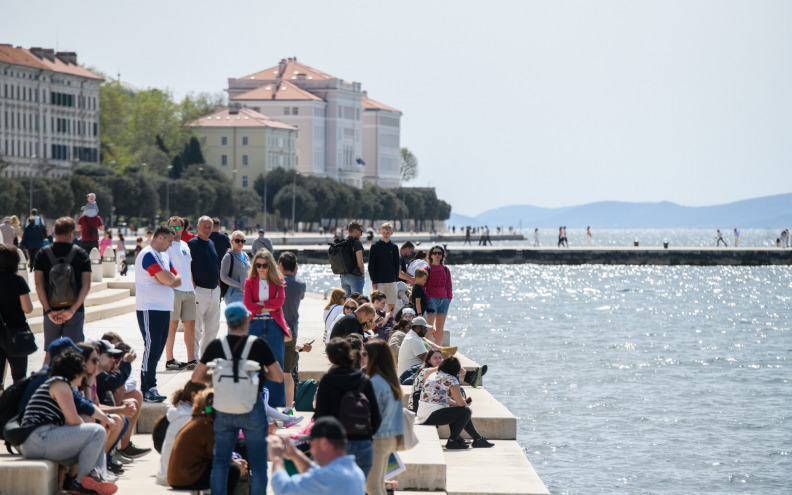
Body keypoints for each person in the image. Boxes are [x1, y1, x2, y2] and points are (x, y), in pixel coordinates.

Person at [191, 301, 284, 495]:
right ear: (247, 321)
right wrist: (257, 374)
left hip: (223, 407)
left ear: (228, 324)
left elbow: (196, 377)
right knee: (258, 464)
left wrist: (216, 379)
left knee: (221, 462)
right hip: (252, 407)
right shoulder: (258, 344)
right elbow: (278, 376)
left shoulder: (217, 345)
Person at [19, 349, 118, 495]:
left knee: (95, 442)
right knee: (97, 432)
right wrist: (94, 434)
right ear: (75, 371)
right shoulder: (60, 385)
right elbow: (73, 421)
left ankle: (94, 478)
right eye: (83, 371)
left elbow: (86, 405)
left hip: (40, 440)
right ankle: (80, 483)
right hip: (38, 439)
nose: (85, 375)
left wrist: (101, 426)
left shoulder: (62, 385)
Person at [314, 338, 381, 477]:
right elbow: (376, 416)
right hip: (363, 443)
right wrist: (366, 435)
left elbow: (320, 416)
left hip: (335, 445)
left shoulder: (327, 380)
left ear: (330, 358)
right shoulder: (364, 380)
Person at [134, 225, 182, 403]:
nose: (171, 244)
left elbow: (178, 279)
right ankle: (147, 387)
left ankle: (151, 386)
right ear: (160, 237)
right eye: (170, 240)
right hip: (149, 308)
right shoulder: (147, 254)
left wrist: (170, 279)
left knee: (158, 348)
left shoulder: (164, 255)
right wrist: (170, 279)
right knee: (151, 347)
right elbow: (169, 279)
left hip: (163, 309)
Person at [34, 217, 92, 360]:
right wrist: (72, 310)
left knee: (49, 354)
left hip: (51, 311)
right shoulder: (81, 254)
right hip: (75, 311)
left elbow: (38, 285)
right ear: (71, 234)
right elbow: (86, 285)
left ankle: (47, 382)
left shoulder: (42, 253)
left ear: (55, 232)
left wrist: (48, 310)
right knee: (74, 355)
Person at [167, 389, 245, 494]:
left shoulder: (198, 420)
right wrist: (237, 464)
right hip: (186, 478)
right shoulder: (206, 425)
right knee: (233, 470)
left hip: (179, 476)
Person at [268, 416, 366, 495]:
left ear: (324, 443)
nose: (310, 449)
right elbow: (316, 473)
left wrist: (277, 457)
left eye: (311, 443)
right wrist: (295, 454)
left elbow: (283, 489)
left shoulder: (326, 477)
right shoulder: (355, 471)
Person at [243, 249, 290, 408]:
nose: (261, 268)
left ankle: (275, 405)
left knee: (276, 364)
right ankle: (254, 402)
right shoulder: (249, 282)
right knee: (253, 362)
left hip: (273, 325)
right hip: (255, 325)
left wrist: (260, 306)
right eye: (258, 265)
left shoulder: (278, 280)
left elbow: (280, 302)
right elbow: (248, 305)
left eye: (264, 265)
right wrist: (267, 306)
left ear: (270, 265)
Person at [415, 356, 494, 450]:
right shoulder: (451, 380)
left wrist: (461, 405)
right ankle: (453, 441)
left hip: (423, 414)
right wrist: (465, 405)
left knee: (460, 411)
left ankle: (477, 439)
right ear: (455, 369)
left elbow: (443, 399)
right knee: (465, 411)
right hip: (432, 415)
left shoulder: (434, 375)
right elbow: (461, 405)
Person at [363, 340, 404, 495]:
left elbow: (372, 414)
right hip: (390, 437)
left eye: (365, 354)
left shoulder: (374, 383)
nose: (362, 356)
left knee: (372, 487)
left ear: (374, 357)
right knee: (379, 484)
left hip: (378, 438)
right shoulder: (390, 380)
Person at [157, 381, 208, 485]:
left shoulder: (179, 412)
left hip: (165, 475)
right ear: (193, 395)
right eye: (207, 396)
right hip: (180, 478)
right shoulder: (190, 419)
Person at [164, 217, 197, 370]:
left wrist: (193, 287)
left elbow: (188, 268)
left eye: (178, 227)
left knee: (191, 325)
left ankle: (191, 360)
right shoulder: (165, 245)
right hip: (174, 290)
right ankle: (170, 360)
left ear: (182, 229)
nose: (174, 230)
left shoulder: (185, 245)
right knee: (172, 325)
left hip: (189, 290)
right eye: (172, 227)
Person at [279, 251, 308, 414]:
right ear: (295, 266)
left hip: (275, 330)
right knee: (287, 372)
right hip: (292, 330)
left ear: (280, 265)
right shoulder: (301, 284)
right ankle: (289, 408)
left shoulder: (275, 282)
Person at [0, 244, 34, 383]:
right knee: (19, 376)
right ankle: (17, 403)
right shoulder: (18, 281)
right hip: (16, 333)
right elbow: (28, 308)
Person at [188, 216, 221, 358]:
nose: (207, 229)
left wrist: (218, 285)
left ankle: (207, 357)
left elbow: (215, 265)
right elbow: (187, 265)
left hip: (214, 291)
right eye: (204, 226)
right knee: (196, 328)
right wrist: (193, 285)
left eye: (209, 227)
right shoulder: (192, 244)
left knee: (213, 327)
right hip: (199, 291)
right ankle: (194, 358)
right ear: (198, 226)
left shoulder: (212, 243)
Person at [424, 245, 453, 346]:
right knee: (429, 327)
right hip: (431, 300)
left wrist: (449, 298)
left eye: (439, 253)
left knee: (440, 328)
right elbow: (422, 285)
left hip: (444, 300)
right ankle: (425, 350)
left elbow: (449, 285)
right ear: (431, 255)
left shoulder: (445, 269)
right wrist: (428, 298)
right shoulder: (427, 269)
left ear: (442, 256)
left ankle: (438, 350)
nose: (437, 255)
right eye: (435, 253)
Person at [367, 224, 400, 310]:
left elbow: (397, 265)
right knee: (378, 306)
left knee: (391, 306)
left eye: (388, 233)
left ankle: (390, 322)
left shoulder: (394, 247)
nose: (385, 235)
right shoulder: (375, 247)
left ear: (391, 233)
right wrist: (373, 280)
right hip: (379, 281)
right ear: (380, 232)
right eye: (384, 232)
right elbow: (371, 265)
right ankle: (378, 323)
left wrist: (395, 279)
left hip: (391, 281)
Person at [220, 230, 250, 305]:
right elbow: (223, 276)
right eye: (237, 240)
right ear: (232, 241)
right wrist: (239, 285)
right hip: (233, 293)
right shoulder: (228, 256)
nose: (240, 243)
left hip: (246, 293)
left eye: (242, 241)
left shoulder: (245, 255)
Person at [340, 221, 366, 298]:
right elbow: (360, 262)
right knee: (357, 302)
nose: (361, 234)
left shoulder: (343, 242)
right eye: (361, 231)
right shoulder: (357, 243)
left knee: (347, 304)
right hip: (355, 277)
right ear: (355, 230)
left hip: (344, 276)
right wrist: (363, 276)